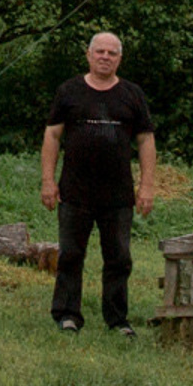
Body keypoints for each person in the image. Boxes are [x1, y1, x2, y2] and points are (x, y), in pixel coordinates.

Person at [39, 30, 157, 335]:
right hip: (74, 191)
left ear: (120, 59)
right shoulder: (69, 91)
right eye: (100, 52)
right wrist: (48, 181)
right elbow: (52, 135)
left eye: (111, 53)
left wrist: (146, 186)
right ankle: (67, 314)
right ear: (89, 55)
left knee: (119, 258)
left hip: (118, 195)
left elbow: (145, 140)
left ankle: (117, 320)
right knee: (70, 255)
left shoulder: (132, 94)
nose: (105, 57)